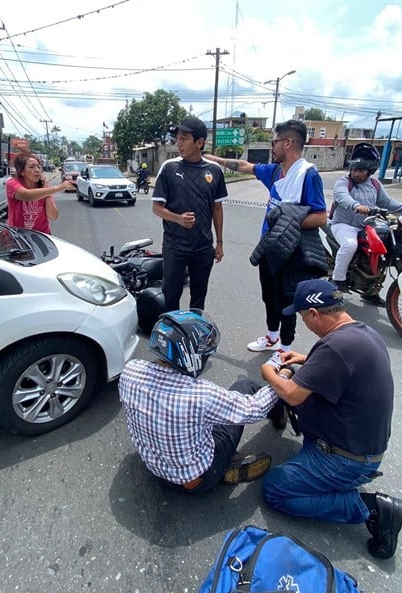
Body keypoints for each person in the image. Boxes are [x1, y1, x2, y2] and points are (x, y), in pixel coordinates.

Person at [260, 278, 402, 559]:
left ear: (314, 314)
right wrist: (302, 358)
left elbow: (292, 394)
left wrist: (268, 371)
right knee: (298, 379)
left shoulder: (334, 348)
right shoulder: (360, 333)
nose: (304, 323)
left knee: (275, 489)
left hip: (345, 460)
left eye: (303, 317)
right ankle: (332, 478)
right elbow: (337, 365)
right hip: (359, 447)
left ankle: (368, 508)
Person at [118, 309, 287, 493]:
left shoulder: (130, 371)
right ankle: (225, 465)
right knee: (245, 385)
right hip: (198, 479)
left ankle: (223, 465)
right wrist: (280, 380)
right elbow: (252, 409)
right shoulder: (200, 395)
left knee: (202, 421)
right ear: (189, 355)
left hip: (156, 470)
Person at [205, 120, 327, 366]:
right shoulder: (275, 172)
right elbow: (244, 166)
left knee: (287, 301)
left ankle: (284, 349)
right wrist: (215, 160)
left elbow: (321, 216)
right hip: (269, 247)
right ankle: (271, 337)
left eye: (275, 142)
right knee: (269, 296)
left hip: (292, 251)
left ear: (288, 142)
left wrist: (287, 222)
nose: (273, 147)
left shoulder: (308, 175)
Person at [330, 143, 402, 305]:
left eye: (360, 170)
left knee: (383, 252)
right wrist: (357, 206)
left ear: (370, 171)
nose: (355, 173)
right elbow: (342, 197)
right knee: (350, 245)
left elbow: (387, 202)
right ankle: (338, 281)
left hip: (366, 225)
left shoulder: (375, 185)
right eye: (354, 169)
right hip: (344, 225)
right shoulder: (343, 182)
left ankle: (371, 291)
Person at [152, 116, 228, 312]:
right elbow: (157, 208)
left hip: (203, 247)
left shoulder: (214, 171)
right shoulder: (169, 168)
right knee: (171, 296)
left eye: (184, 138)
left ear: (200, 142)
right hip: (175, 246)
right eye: (177, 138)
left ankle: (195, 335)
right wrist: (178, 218)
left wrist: (219, 242)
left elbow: (217, 209)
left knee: (198, 297)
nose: (178, 143)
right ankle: (171, 335)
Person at [6, 151, 72, 234]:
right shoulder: (12, 183)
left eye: (38, 167)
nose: (37, 170)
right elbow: (27, 195)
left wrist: (45, 189)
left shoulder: (44, 188)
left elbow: (52, 216)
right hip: (18, 235)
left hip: (41, 235)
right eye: (32, 167)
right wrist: (59, 188)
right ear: (22, 171)